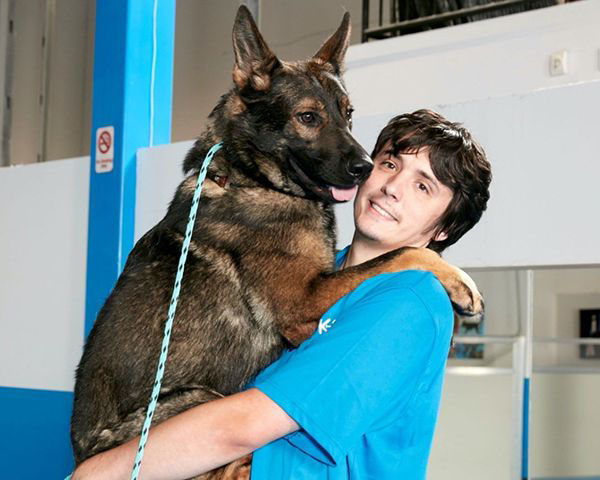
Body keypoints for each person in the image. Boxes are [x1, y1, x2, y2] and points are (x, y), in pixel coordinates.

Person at [72, 109, 492, 479]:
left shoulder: (409, 300)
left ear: (443, 229)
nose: (392, 187)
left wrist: (101, 471)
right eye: (388, 164)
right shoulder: (316, 272)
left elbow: (246, 424)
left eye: (424, 187)